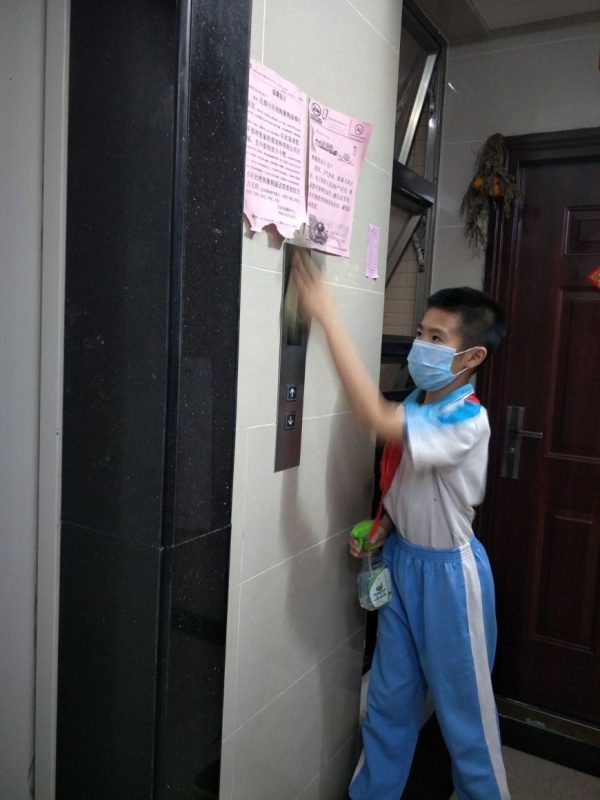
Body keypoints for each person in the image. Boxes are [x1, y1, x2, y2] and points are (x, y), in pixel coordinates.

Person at [292, 249, 510, 800]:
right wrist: (386, 525)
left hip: (449, 579)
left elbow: (373, 416)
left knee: (466, 720)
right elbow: (412, 480)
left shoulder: (466, 418)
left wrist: (327, 315)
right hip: (403, 561)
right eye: (420, 332)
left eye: (437, 338)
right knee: (389, 701)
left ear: (472, 356)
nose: (421, 345)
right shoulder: (419, 400)